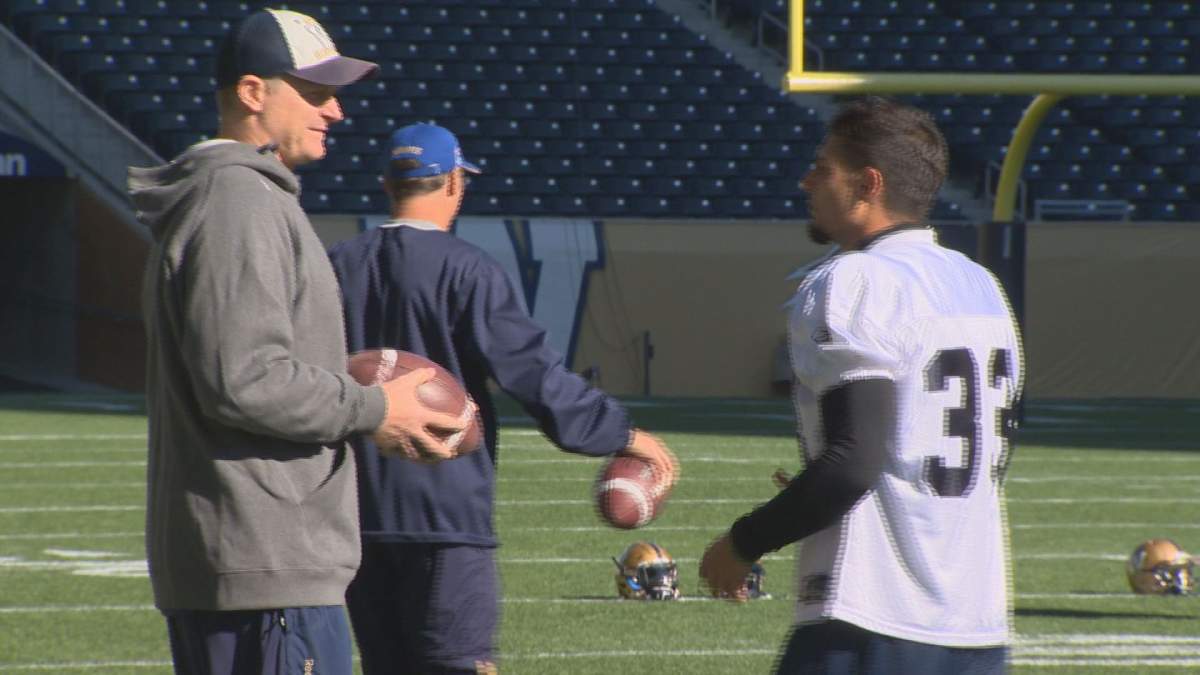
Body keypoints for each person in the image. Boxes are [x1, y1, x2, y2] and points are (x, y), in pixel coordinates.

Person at [130, 10, 468, 675]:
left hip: (257, 563)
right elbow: (245, 378)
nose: (336, 111)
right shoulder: (239, 201)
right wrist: (376, 408)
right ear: (254, 93)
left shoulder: (242, 197)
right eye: (315, 91)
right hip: (268, 569)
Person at [327, 122, 680, 674]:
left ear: (386, 184)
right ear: (452, 184)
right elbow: (535, 376)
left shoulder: (337, 264)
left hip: (356, 514)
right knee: (462, 664)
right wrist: (624, 434)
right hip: (445, 515)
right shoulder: (468, 269)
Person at [699, 97, 1023, 674]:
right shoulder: (981, 284)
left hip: (876, 611)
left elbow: (854, 461)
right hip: (976, 618)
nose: (806, 180)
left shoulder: (855, 279)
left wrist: (743, 543)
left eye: (823, 168)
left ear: (867, 184)